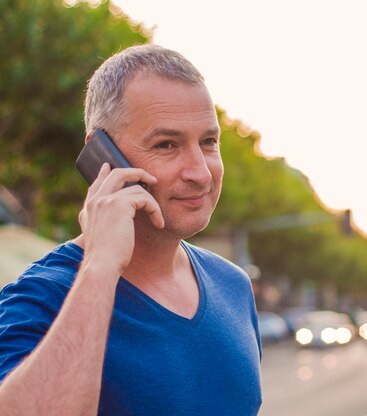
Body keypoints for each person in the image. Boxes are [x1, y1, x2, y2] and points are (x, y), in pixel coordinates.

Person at [0, 44, 262, 415]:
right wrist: (101, 267)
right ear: (102, 156)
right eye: (167, 144)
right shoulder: (39, 298)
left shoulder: (232, 284)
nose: (201, 173)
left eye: (208, 143)